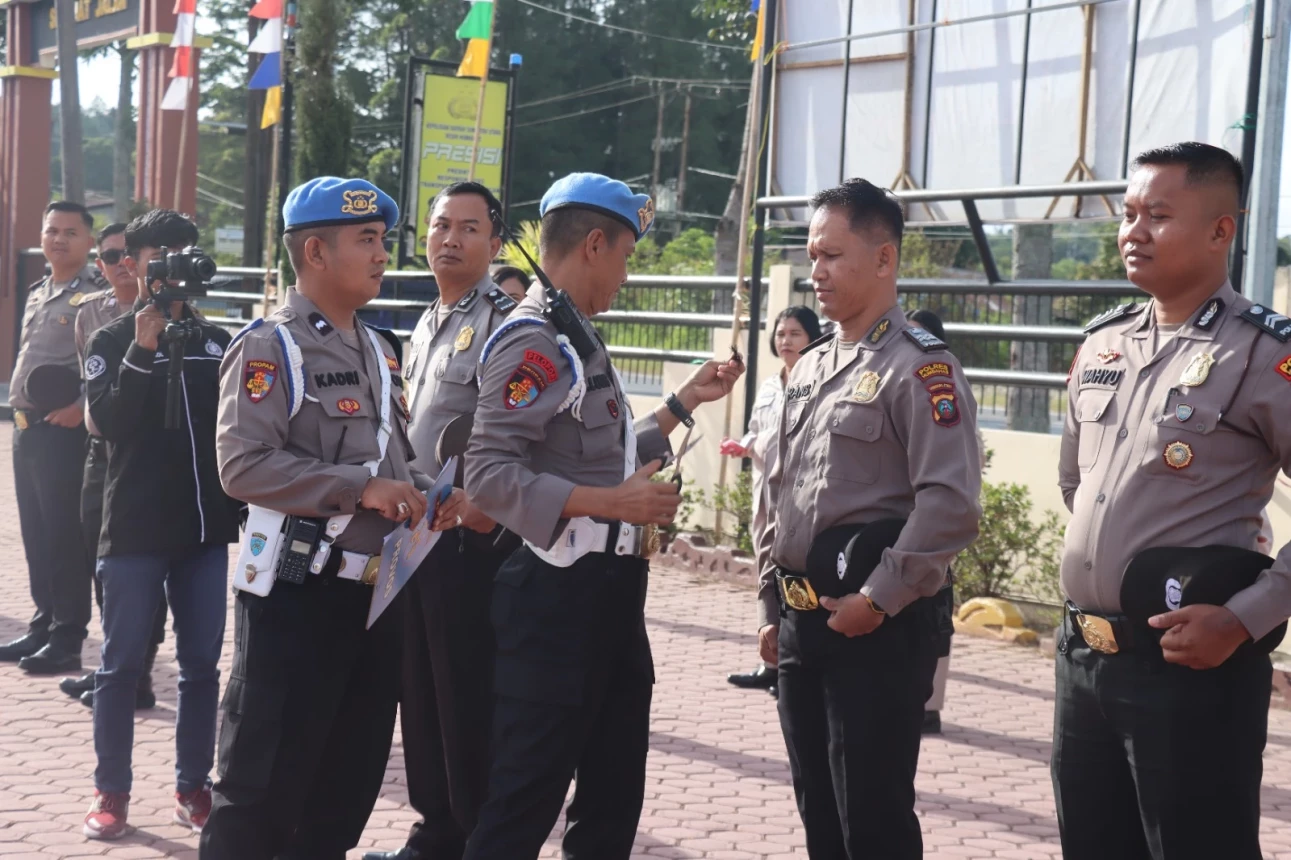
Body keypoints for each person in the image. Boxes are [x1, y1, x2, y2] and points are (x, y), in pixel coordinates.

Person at [461, 172, 743, 859]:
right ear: (593, 244)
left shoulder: (573, 335)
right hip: (557, 601)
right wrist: (611, 504)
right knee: (523, 805)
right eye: (624, 255)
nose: (624, 273)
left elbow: (600, 454)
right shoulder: (532, 341)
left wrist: (683, 404)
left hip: (610, 599)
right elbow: (488, 475)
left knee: (612, 802)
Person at [1054, 142, 1291, 860]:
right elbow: (1077, 486)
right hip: (1084, 661)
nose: (1133, 231)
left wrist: (1244, 617)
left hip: (1191, 667)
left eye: (1157, 215)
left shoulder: (1259, 352)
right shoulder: (1100, 344)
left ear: (1222, 230)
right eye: (1128, 214)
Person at [201, 177, 429, 860]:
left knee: (343, 794)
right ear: (315, 252)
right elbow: (241, 467)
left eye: (383, 239)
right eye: (366, 240)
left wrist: (429, 492)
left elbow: (396, 460)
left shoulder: (380, 348)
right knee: (260, 796)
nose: (382, 252)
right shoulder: (274, 346)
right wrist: (361, 488)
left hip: (375, 598)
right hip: (298, 599)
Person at [756, 179, 982, 858]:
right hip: (801, 626)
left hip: (874, 630)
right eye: (810, 255)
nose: (815, 271)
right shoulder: (812, 364)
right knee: (818, 815)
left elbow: (950, 505)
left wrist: (877, 600)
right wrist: (770, 600)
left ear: (883, 260)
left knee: (873, 821)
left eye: (831, 255)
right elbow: (778, 489)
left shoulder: (919, 368)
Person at [363, 182, 518, 860]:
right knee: (418, 694)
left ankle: (471, 833)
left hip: (466, 539)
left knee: (464, 697)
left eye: (467, 228)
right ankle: (436, 829)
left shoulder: (505, 322)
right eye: (439, 225)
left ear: (496, 242)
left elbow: (513, 435)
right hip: (412, 534)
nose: (449, 239)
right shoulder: (426, 319)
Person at [79, 209, 241, 839]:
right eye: (159, 256)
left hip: (203, 533)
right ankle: (110, 792)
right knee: (119, 666)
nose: (172, 266)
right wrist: (144, 347)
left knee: (202, 667)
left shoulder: (218, 343)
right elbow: (111, 424)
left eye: (183, 253)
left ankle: (192, 786)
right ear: (134, 263)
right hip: (134, 529)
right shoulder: (110, 341)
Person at [60, 222, 170, 710]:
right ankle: (114, 666)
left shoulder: (177, 316)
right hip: (102, 455)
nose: (119, 263)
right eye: (108, 257)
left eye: (127, 253)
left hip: (149, 462)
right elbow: (96, 397)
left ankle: (138, 671)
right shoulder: (94, 318)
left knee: (147, 569)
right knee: (104, 566)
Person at [0, 201, 99, 674]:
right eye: (52, 230)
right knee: (37, 535)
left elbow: (101, 363)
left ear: (89, 242)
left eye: (71, 232)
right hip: (25, 431)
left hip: (62, 435)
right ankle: (43, 623)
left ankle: (67, 636)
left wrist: (82, 406)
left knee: (64, 536)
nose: (59, 239)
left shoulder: (94, 295)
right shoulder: (40, 290)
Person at [722, 305, 821, 699]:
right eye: (781, 334)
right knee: (765, 570)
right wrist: (742, 446)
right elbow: (757, 432)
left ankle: (797, 666)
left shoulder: (818, 383)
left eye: (795, 334)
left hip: (798, 499)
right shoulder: (768, 386)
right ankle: (772, 663)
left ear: (812, 338)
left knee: (795, 574)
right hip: (765, 494)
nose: (786, 341)